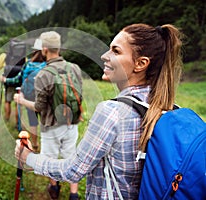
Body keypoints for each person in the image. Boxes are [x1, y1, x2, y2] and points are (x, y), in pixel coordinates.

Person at [14, 23, 183, 199]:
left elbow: (73, 170)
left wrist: (28, 157)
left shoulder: (112, 112)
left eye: (115, 51)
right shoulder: (170, 109)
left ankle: (53, 188)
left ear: (140, 64)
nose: (104, 56)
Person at [13, 31, 82, 200]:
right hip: (71, 122)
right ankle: (74, 194)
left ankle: (54, 187)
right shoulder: (75, 68)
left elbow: (39, 107)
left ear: (44, 49)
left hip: (51, 125)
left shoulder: (43, 74)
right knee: (71, 156)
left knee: (50, 159)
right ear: (58, 48)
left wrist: (21, 101)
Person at [0, 41, 46, 151]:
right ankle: (46, 147)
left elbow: (18, 79)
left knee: (33, 123)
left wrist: (5, 80)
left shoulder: (28, 64)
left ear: (34, 50)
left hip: (29, 99)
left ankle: (35, 145)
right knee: (45, 123)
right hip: (44, 99)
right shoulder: (47, 65)